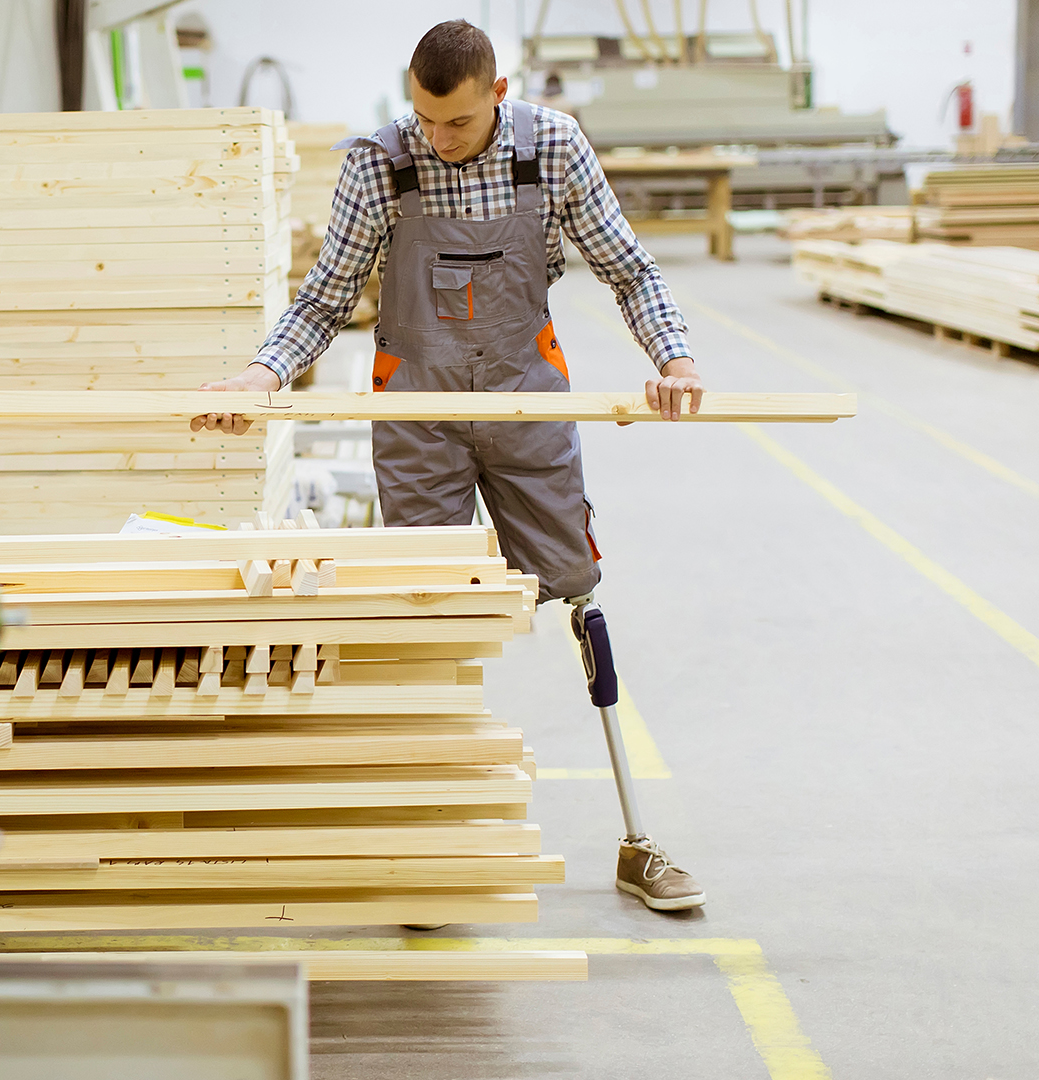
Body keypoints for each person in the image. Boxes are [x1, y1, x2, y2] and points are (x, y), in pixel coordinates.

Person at [191, 20, 706, 911]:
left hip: (527, 405)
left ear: (499, 95)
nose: (437, 139)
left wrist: (675, 359)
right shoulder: (376, 165)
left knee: (576, 591)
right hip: (419, 416)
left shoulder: (552, 150)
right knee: (423, 619)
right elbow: (324, 299)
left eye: (458, 123)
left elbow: (629, 268)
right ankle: (425, 839)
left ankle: (637, 842)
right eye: (424, 120)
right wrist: (263, 374)